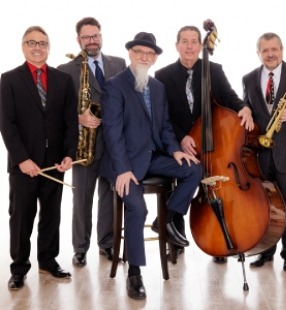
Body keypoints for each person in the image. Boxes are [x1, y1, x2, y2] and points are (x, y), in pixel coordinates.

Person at [100, 32, 202, 300]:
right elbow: (112, 132)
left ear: (155, 57)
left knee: (194, 168)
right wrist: (123, 168)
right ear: (131, 54)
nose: (144, 57)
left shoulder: (157, 87)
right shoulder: (115, 85)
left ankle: (166, 218)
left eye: (150, 54)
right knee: (137, 208)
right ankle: (135, 274)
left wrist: (176, 151)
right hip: (125, 163)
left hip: (153, 156)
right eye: (139, 52)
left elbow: (166, 126)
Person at [155, 25, 254, 262]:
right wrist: (180, 137)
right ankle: (174, 240)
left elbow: (229, 96)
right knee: (180, 179)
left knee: (216, 184)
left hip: (209, 141)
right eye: (184, 41)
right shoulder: (162, 76)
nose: (189, 46)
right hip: (178, 141)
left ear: (201, 45)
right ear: (176, 45)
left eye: (194, 41)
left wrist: (244, 107)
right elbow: (162, 115)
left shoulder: (214, 70)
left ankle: (220, 237)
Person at [0, 26, 78, 290]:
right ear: (23, 46)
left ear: (49, 47)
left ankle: (48, 260)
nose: (37, 47)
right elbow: (6, 124)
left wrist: (69, 155)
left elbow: (70, 122)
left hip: (55, 163)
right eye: (31, 42)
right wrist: (22, 159)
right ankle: (19, 267)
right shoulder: (9, 79)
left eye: (43, 43)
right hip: (24, 165)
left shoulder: (63, 80)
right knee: (21, 216)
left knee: (51, 215)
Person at [58, 17, 126, 267]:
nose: (92, 41)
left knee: (108, 197)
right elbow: (57, 109)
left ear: (101, 35)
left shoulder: (118, 63)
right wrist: (79, 117)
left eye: (95, 35)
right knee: (82, 199)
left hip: (113, 146)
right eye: (86, 37)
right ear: (78, 40)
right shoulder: (66, 69)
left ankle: (106, 243)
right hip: (83, 145)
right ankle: (80, 248)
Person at [242, 32, 286, 272]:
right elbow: (247, 107)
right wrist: (246, 109)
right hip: (262, 154)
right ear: (258, 53)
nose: (270, 54)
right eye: (265, 50)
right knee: (265, 207)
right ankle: (265, 251)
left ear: (282, 50)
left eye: (274, 49)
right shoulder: (249, 78)